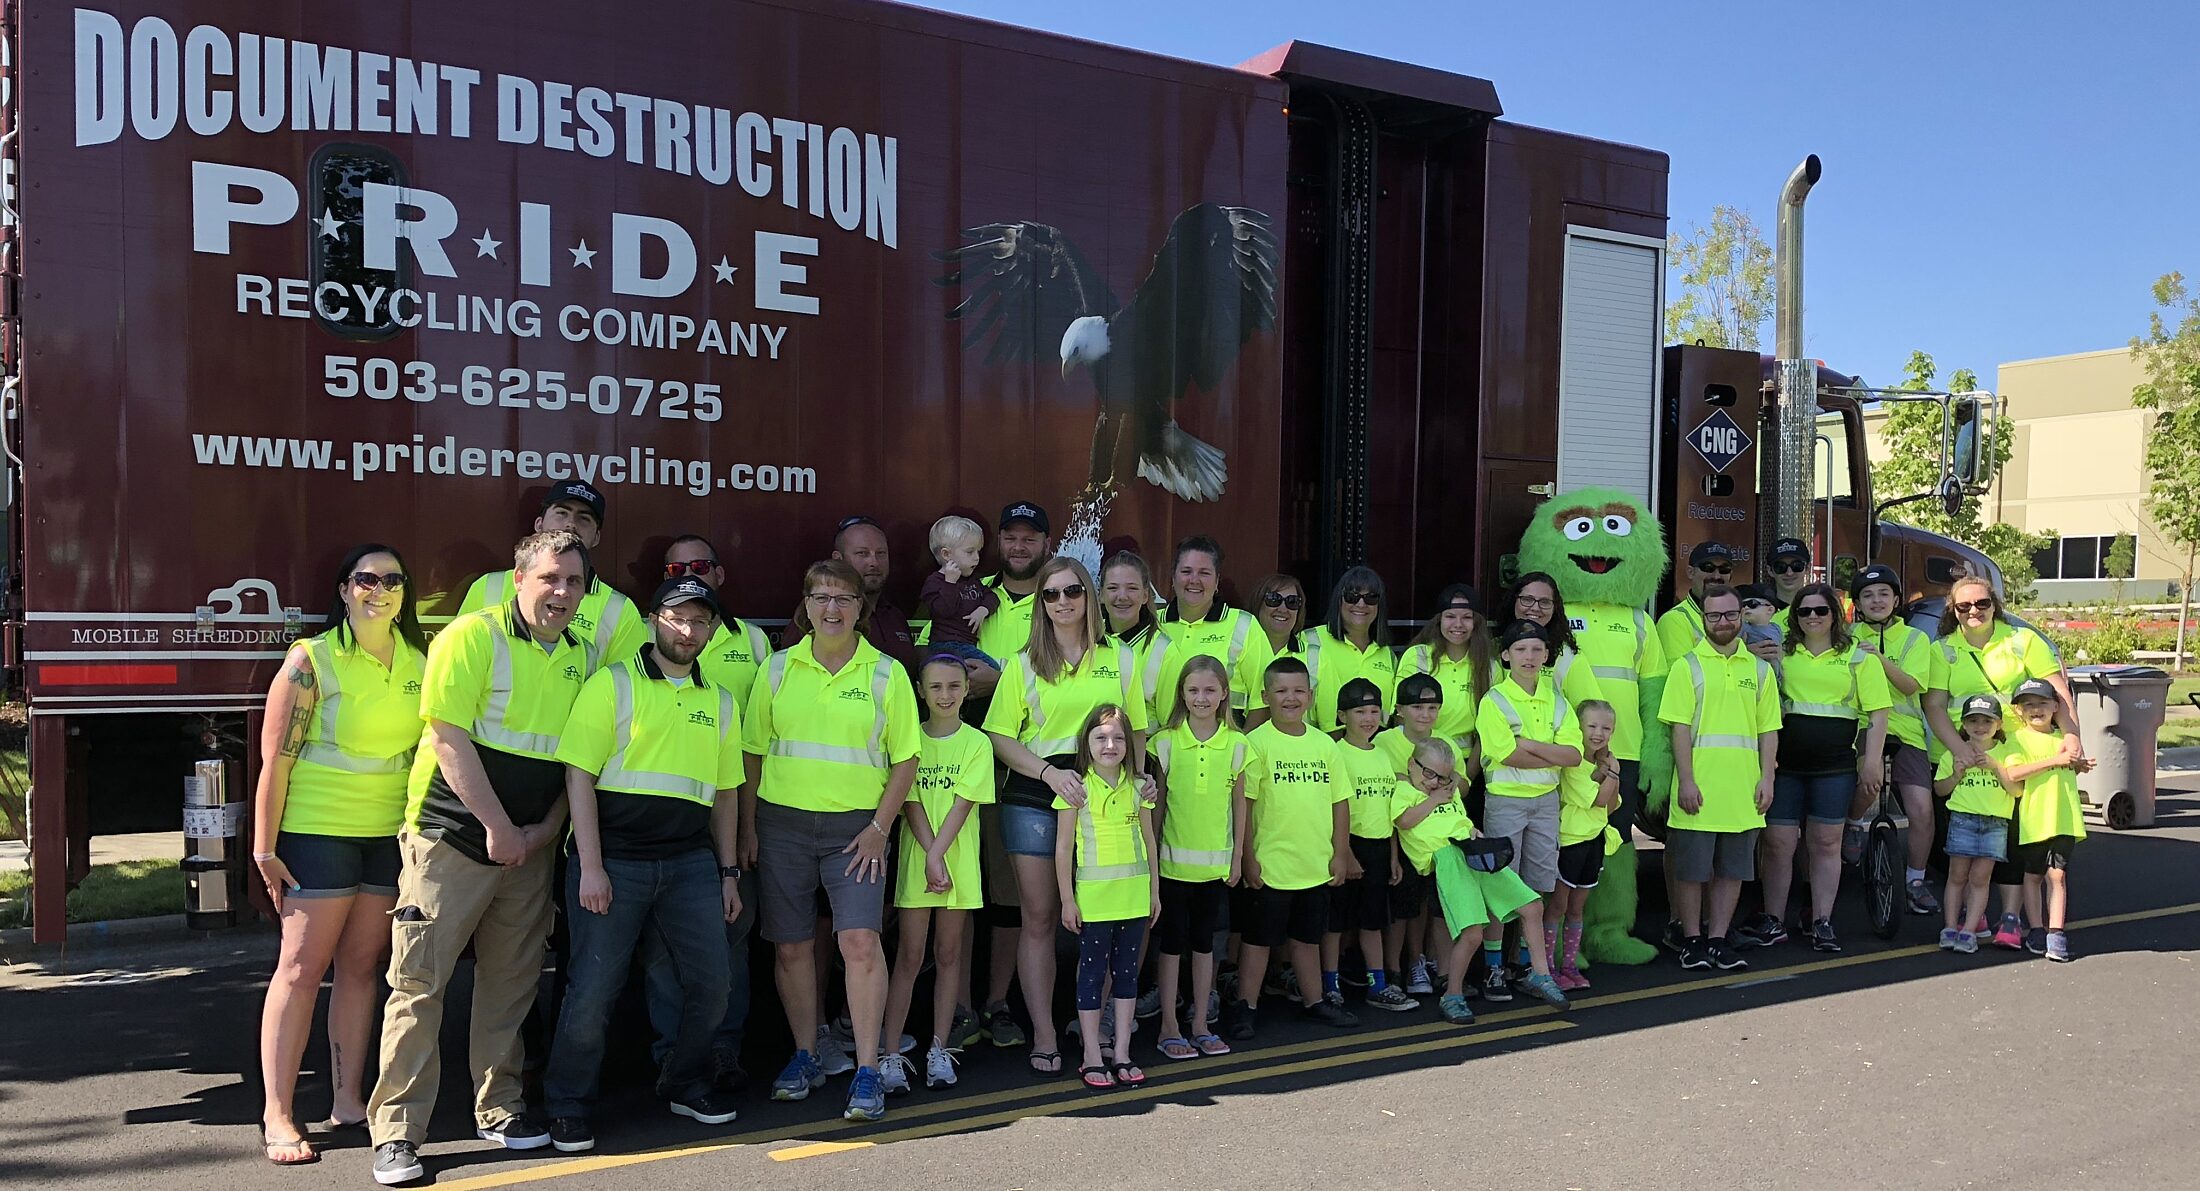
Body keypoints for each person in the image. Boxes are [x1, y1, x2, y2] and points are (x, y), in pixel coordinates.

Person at [368, 531, 595, 1187]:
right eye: (549, 578)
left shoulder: (581, 656)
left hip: (528, 848)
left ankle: (499, 1109)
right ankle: (397, 1134)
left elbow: (577, 761)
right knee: (418, 986)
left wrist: (542, 831)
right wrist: (499, 828)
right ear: (519, 578)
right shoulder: (471, 636)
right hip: (451, 840)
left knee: (511, 985)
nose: (561, 592)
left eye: (574, 582)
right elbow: (447, 737)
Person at [542, 578, 747, 1153]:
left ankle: (684, 1083)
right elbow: (578, 776)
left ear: (712, 629)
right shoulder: (611, 683)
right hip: (616, 863)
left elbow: (726, 794)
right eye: (678, 618)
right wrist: (590, 866)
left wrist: (728, 873)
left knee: (713, 985)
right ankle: (567, 1105)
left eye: (701, 621)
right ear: (654, 619)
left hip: (689, 864)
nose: (689, 630)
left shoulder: (720, 702)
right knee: (592, 992)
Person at [253, 545, 427, 1167]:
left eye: (393, 581)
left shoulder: (420, 660)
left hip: (386, 836)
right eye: (366, 580)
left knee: (359, 967)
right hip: (317, 831)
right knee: (301, 970)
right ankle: (278, 1114)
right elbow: (276, 761)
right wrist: (265, 848)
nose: (379, 590)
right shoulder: (312, 659)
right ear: (344, 589)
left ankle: (349, 1100)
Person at [746, 560, 922, 1123]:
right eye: (821, 597)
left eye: (844, 598)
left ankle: (868, 1069)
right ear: (806, 605)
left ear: (859, 608)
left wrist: (880, 829)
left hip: (857, 831)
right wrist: (749, 828)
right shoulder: (776, 669)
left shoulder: (886, 674)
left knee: (861, 943)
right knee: (792, 946)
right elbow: (752, 754)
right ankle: (806, 1055)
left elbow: (906, 760)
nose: (832, 608)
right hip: (783, 826)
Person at [981, 556, 1148, 1076]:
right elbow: (999, 736)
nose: (1062, 602)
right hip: (1036, 793)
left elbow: (1136, 730)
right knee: (1039, 918)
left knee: (1104, 916)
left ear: (1088, 596)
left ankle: (1092, 1029)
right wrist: (1049, 774)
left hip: (1104, 799)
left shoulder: (1120, 657)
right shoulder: (1023, 663)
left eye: (1072, 591)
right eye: (1050, 594)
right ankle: (1046, 1034)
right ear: (1041, 603)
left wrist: (1139, 782)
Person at [640, 534, 771, 1094]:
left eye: (700, 565)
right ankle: (672, 1054)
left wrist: (745, 831)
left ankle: (723, 1049)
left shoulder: (754, 641)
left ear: (720, 573)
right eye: (677, 569)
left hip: (729, 814)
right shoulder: (645, 645)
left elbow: (755, 744)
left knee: (730, 939)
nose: (690, 574)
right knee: (663, 950)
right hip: (660, 828)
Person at [1923, 572, 2080, 950]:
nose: (1973, 611)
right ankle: (1971, 915)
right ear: (1953, 611)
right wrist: (1959, 750)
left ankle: (2010, 916)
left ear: (1994, 604)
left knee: (2012, 838)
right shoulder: (1942, 650)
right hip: (1962, 750)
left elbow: (2059, 693)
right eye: (1964, 606)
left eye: (1982, 603)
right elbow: (1935, 706)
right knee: (1960, 844)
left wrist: (2072, 737)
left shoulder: (2023, 640)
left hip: (2017, 752)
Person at [1749, 582, 1889, 955]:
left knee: (1825, 844)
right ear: (1794, 617)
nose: (1812, 617)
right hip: (1785, 765)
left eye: (1821, 610)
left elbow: (1878, 714)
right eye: (1804, 611)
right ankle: (1773, 920)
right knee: (1777, 844)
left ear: (1835, 615)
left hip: (1834, 766)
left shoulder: (1859, 657)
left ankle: (1822, 921)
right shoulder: (1781, 653)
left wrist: (1872, 761)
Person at [1225, 657, 1360, 1039]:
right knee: (1257, 941)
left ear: (1311, 696)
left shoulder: (1325, 744)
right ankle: (1246, 1006)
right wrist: (1247, 858)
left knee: (1307, 939)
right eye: (1281, 691)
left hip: (1314, 864)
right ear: (1265, 696)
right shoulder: (1256, 744)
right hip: (1270, 865)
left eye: (1299, 690)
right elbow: (1245, 805)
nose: (1291, 698)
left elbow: (1340, 802)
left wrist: (1341, 852)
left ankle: (1315, 1001)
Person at [880, 655, 994, 1093]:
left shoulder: (977, 743)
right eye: (936, 687)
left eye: (954, 686)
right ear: (920, 691)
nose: (945, 695)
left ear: (967, 690)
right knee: (909, 957)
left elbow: (963, 805)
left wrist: (939, 857)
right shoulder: (909, 738)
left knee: (949, 956)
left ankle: (939, 1049)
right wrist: (930, 857)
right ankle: (890, 1053)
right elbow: (908, 801)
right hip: (921, 866)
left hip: (956, 866)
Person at [1658, 583, 1780, 974]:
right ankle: (1693, 940)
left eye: (1729, 614)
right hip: (1699, 788)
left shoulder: (1760, 670)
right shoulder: (1687, 666)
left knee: (1732, 870)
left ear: (1741, 616)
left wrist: (1767, 779)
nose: (1722, 621)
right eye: (1714, 615)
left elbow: (1769, 731)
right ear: (1704, 619)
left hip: (1743, 789)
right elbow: (1678, 730)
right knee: (1692, 872)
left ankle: (1717, 939)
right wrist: (1686, 781)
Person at [1390, 738, 1552, 1026]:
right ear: (1411, 764)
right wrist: (1434, 799)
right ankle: (1452, 995)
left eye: (1443, 777)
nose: (1435, 782)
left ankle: (1541, 975)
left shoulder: (1446, 791)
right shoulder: (1405, 790)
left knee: (1532, 905)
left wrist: (1473, 831)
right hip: (1446, 859)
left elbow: (1459, 820)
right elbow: (1403, 821)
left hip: (1470, 850)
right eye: (1429, 773)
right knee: (1473, 933)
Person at [1471, 620, 1577, 1009]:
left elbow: (1574, 755)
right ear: (1505, 655)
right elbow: (1505, 754)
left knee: (1537, 887)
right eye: (1520, 649)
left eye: (1536, 649)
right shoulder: (1494, 700)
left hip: (1545, 802)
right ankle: (1494, 968)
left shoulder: (1557, 699)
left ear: (1547, 655)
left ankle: (1524, 964)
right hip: (1506, 802)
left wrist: (1528, 743)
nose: (1529, 657)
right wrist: (1550, 752)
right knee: (1502, 888)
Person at [1149, 656, 1249, 1060]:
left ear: (1224, 693)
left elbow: (1239, 805)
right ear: (1182, 694)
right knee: (1172, 945)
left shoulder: (1237, 744)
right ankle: (1169, 1027)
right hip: (1172, 867)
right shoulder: (1165, 742)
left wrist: (1237, 857)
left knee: (1206, 945)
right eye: (1193, 690)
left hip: (1214, 869)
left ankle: (1201, 1025)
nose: (1201, 698)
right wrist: (1152, 863)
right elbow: (1157, 807)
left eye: (1210, 690)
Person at [1055, 705, 1160, 1090]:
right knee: (1092, 974)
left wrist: (1154, 892)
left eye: (1118, 738)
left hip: (1133, 897)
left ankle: (1122, 1052)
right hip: (1095, 901)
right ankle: (1091, 1055)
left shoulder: (1139, 788)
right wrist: (1067, 899)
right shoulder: (1076, 789)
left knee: (1127, 974)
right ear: (1086, 743)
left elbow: (1149, 841)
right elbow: (1063, 848)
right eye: (1100, 737)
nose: (1110, 745)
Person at [454, 481, 646, 671]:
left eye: (584, 518)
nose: (571, 524)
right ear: (539, 524)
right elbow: (459, 660)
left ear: (596, 537)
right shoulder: (487, 586)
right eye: (562, 513)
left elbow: (624, 684)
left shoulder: (620, 610)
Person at [1849, 564, 1940, 914]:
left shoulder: (1916, 638)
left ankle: (1915, 879)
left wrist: (1878, 659)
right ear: (1858, 603)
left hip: (1906, 731)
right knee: (1867, 784)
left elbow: (1911, 686)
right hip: (1861, 726)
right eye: (1868, 595)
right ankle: (1854, 824)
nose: (1876, 600)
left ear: (1897, 599)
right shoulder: (1846, 636)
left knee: (1922, 809)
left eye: (1884, 594)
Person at [1325, 679, 1419, 1012]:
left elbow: (1388, 810)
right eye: (1359, 712)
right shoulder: (1335, 752)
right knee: (1335, 922)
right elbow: (1333, 807)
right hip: (1348, 845)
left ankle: (1377, 984)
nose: (1368, 718)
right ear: (1342, 715)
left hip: (1379, 848)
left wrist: (1393, 856)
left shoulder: (1382, 754)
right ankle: (1330, 984)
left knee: (1372, 921)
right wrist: (1345, 853)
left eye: (1374, 711)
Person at [1375, 673, 1469, 996]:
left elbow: (1462, 786)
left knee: (1436, 908)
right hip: (1396, 836)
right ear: (1400, 710)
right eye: (1417, 707)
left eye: (1432, 707)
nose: (1425, 714)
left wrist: (1451, 781)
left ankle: (1429, 965)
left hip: (1435, 841)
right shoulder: (1384, 741)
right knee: (1403, 908)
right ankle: (1397, 969)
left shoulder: (1446, 742)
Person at [2005, 679, 2091, 962]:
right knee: (2033, 876)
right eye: (2028, 704)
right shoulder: (2018, 739)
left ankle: (2056, 933)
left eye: (2042, 703)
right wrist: (2056, 761)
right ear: (2019, 711)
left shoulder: (2064, 740)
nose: (2036, 709)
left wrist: (2077, 765)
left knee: (2058, 875)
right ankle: (2036, 929)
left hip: (2064, 818)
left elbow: (2068, 770)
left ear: (2055, 707)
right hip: (2035, 820)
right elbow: (2014, 773)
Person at [1933, 694, 2021, 954]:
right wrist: (1956, 775)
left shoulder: (2007, 753)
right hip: (1963, 818)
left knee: (1980, 879)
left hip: (1995, 823)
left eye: (1987, 721)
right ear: (1963, 724)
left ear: (1999, 724)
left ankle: (1969, 931)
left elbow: (2016, 791)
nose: (1980, 726)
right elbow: (1939, 789)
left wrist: (1996, 767)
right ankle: (1950, 927)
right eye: (1973, 721)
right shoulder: (1956, 752)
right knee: (1957, 876)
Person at [1550, 700, 1620, 991]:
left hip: (1594, 842)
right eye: (1591, 726)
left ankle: (1569, 966)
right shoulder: (1575, 763)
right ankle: (1548, 967)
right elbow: (1600, 799)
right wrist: (1614, 772)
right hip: (1570, 841)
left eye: (1606, 728)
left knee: (1577, 908)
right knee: (1557, 906)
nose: (1598, 733)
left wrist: (1607, 772)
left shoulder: (1599, 765)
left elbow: (1612, 806)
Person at [1152, 535, 1260, 721]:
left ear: (1217, 581)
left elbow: (1262, 702)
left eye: (1204, 573)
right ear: (1173, 578)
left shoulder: (1243, 625)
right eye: (1186, 571)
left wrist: (1241, 740)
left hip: (1226, 738)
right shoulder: (1153, 624)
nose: (1194, 580)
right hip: (1163, 738)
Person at [1394, 584, 1493, 751]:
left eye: (1467, 617)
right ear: (1439, 620)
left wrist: (1469, 768)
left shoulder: (1489, 666)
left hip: (1467, 759)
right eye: (1450, 616)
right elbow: (1400, 717)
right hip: (1420, 756)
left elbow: (1488, 728)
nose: (1458, 624)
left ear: (1476, 622)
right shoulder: (1417, 656)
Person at [970, 502, 1053, 693]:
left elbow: (1072, 674)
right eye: (1010, 538)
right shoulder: (971, 591)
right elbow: (926, 644)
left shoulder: (1059, 600)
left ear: (1047, 544)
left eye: (1029, 540)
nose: (1018, 547)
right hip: (969, 709)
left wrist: (1000, 682)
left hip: (1033, 712)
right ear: (999, 541)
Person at [1306, 567, 1398, 733]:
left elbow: (1390, 716)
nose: (1361, 604)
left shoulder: (1387, 654)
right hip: (1319, 743)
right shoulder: (1310, 640)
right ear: (1339, 600)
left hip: (1373, 745)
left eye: (1371, 598)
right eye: (1352, 596)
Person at [1499, 573, 1603, 711]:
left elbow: (1594, 714)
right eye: (1527, 599)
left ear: (1555, 608)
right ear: (1514, 601)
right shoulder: (1493, 650)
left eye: (1545, 602)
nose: (1535, 608)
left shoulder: (1568, 657)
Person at [829, 515, 919, 675]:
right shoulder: (825, 616)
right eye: (862, 553)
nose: (874, 562)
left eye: (881, 553)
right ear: (838, 559)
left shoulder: (895, 616)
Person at [1099, 550, 1174, 725]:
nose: (1122, 596)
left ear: (1145, 595)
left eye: (1132, 588)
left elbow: (1170, 724)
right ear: (1101, 595)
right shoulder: (1086, 640)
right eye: (1113, 588)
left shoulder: (1164, 650)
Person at [1238, 572, 1316, 732]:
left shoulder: (1317, 657)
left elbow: (1331, 727)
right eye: (1274, 599)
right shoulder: (1237, 647)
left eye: (1292, 602)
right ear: (1258, 603)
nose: (1283, 608)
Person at [918, 515, 1000, 669]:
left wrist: (982, 610)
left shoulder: (971, 580)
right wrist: (950, 583)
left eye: (978, 552)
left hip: (968, 644)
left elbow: (992, 596)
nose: (976, 558)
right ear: (946, 555)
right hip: (945, 644)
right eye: (970, 552)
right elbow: (943, 610)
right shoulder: (934, 582)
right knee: (993, 668)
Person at [1655, 541, 1736, 662]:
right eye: (1708, 568)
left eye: (1724, 569)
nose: (1716, 576)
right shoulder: (1674, 620)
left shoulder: (1737, 617)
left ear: (1731, 575)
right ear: (1690, 572)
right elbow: (1681, 671)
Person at [1737, 584, 1784, 675]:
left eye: (1752, 604)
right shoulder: (1744, 627)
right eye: (1742, 605)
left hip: (1775, 674)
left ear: (1770, 610)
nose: (1746, 608)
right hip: (1753, 672)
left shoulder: (1776, 628)